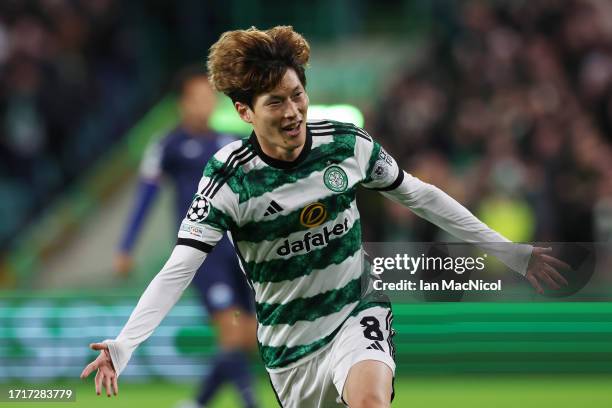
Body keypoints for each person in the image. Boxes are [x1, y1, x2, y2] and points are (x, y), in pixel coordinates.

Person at [81, 26, 569, 408]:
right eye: (276, 102)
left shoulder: (345, 144)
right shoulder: (229, 179)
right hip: (289, 349)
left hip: (355, 314)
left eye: (297, 95)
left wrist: (510, 251)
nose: (293, 111)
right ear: (245, 112)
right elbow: (178, 269)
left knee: (371, 400)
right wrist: (124, 345)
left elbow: (422, 197)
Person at [114, 67, 258, 408]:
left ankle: (197, 402)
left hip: (240, 250)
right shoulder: (167, 145)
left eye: (209, 98)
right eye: (197, 98)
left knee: (248, 337)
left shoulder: (230, 143)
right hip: (202, 253)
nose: (204, 105)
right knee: (228, 331)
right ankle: (251, 403)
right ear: (182, 103)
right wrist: (126, 246)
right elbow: (145, 196)